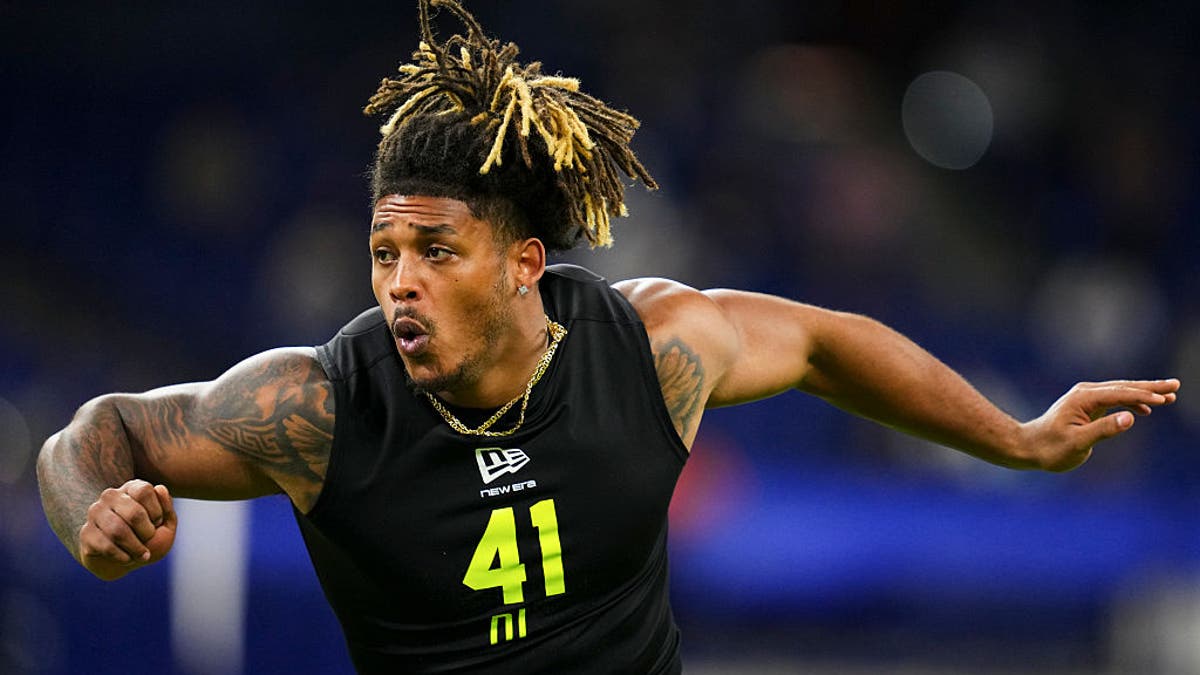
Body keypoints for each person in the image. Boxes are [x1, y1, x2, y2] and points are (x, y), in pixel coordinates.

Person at [36, 1, 1179, 673]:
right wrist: (92, 507)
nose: (398, 284)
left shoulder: (648, 349)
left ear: (525, 260)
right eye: (385, 252)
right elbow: (108, 429)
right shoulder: (327, 407)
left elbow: (829, 343)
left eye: (437, 250)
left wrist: (1018, 441)